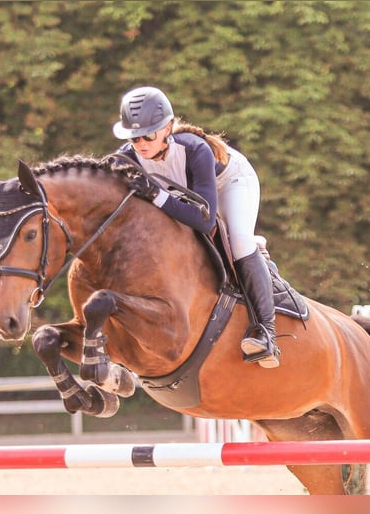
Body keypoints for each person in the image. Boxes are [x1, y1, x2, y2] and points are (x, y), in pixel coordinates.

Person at [111, 86, 280, 368]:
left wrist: (156, 195)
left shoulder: (194, 149)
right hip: (189, 197)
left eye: (148, 135)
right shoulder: (127, 156)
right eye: (133, 136)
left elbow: (205, 220)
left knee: (238, 240)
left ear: (167, 128)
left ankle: (267, 333)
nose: (140, 143)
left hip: (230, 183)